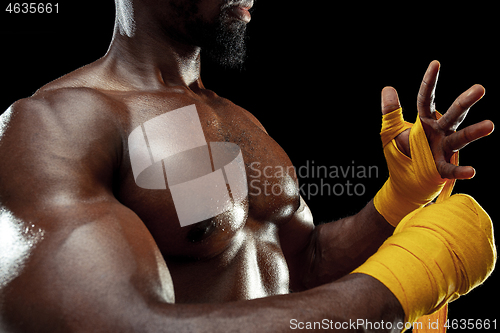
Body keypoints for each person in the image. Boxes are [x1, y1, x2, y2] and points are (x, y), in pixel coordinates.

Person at [0, 0, 495, 332]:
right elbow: (123, 327)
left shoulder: (233, 118)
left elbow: (301, 266)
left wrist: (395, 202)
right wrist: (398, 289)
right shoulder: (59, 124)